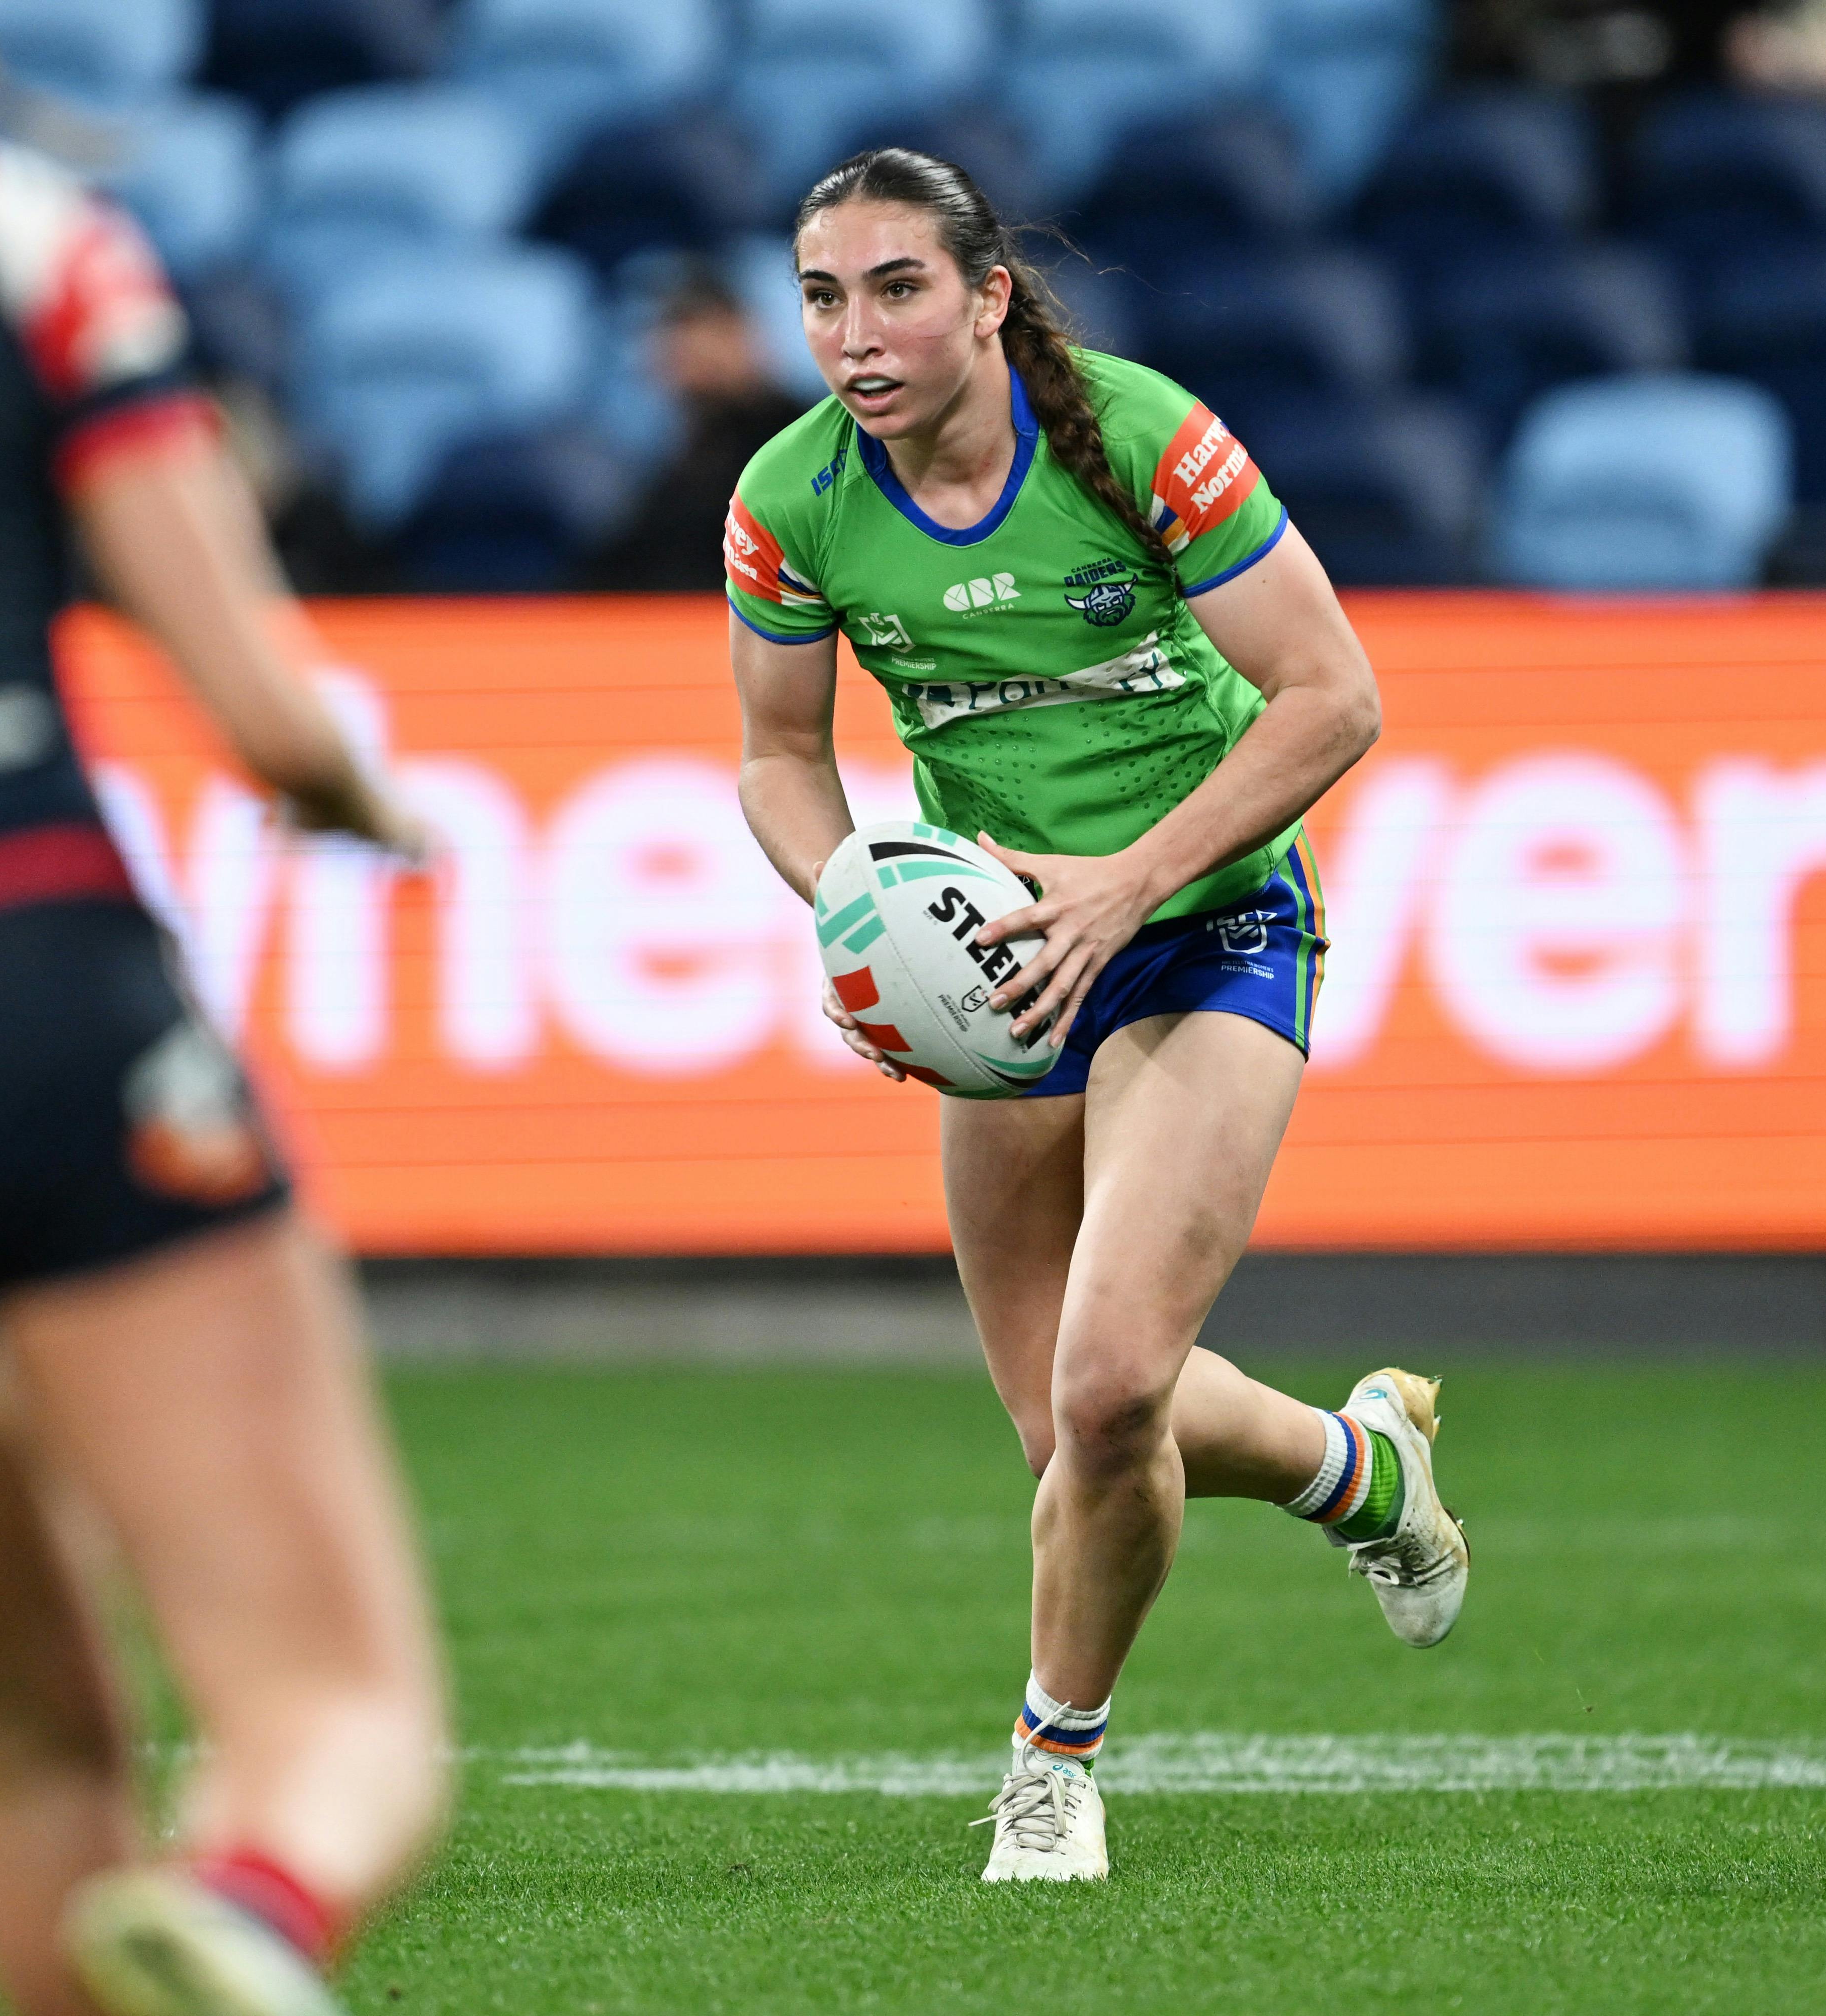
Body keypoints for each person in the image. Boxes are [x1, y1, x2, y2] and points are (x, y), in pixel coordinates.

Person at [0, 3, 448, 2010]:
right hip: (23, 982)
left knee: (12, 1739)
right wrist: (367, 806)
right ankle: (257, 1898)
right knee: (335, 1712)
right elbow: (256, 707)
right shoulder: (9, 224)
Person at [725, 149, 1470, 1883]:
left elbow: (1331, 693)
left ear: (988, 295)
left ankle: (1051, 1763)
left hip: (1204, 927)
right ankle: (1361, 1467)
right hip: (1000, 969)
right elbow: (774, 753)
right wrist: (856, 906)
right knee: (1079, 1429)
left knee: (1118, 1372)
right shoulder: (793, 494)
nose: (856, 332)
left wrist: (1130, 877)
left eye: (898, 286)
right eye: (823, 296)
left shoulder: (1137, 437)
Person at [589, 261, 806, 591]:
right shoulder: (685, 452)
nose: (687, 354)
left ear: (745, 335)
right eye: (672, 338)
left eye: (704, 332)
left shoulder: (802, 439)